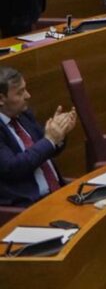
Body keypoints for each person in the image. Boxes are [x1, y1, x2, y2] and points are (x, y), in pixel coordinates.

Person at [0, 66, 77, 208]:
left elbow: (47, 149)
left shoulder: (23, 115)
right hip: (27, 207)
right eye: (20, 92)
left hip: (57, 194)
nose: (28, 96)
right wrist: (50, 140)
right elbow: (12, 168)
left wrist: (60, 132)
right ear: (1, 99)